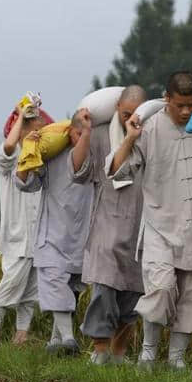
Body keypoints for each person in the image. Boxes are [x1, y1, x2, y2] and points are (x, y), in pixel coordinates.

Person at [108, 71, 192, 370]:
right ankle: (147, 354)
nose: (186, 111)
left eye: (191, 105)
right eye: (179, 105)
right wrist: (129, 136)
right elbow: (118, 172)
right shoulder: (148, 128)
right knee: (159, 289)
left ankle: (177, 360)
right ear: (166, 99)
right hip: (159, 226)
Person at [73, 85, 148, 365]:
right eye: (126, 113)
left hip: (140, 225)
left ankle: (119, 354)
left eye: (136, 114)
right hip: (107, 224)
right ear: (117, 108)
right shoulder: (102, 135)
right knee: (104, 291)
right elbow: (78, 172)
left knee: (134, 294)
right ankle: (100, 351)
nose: (131, 119)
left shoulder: (149, 136)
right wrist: (85, 134)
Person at [15, 109, 94, 355]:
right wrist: (28, 151)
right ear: (68, 130)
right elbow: (26, 183)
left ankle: (56, 340)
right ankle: (69, 341)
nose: (79, 139)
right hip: (53, 228)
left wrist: (88, 136)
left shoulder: (93, 151)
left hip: (83, 228)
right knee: (53, 280)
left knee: (71, 286)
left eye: (84, 134)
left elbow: (87, 172)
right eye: (77, 134)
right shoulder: (52, 152)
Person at [0, 103, 47, 351]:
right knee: (9, 285)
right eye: (35, 127)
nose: (39, 131)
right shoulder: (7, 157)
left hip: (38, 236)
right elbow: (9, 146)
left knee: (31, 292)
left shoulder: (40, 157)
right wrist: (21, 114)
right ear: (21, 129)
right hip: (16, 236)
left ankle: (21, 337)